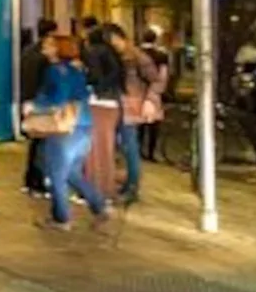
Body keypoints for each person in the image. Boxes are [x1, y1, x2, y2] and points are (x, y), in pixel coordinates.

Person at [25, 33, 112, 231]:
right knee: (72, 172)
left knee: (55, 173)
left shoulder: (55, 71)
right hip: (84, 124)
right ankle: (99, 205)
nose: (44, 48)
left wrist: (35, 106)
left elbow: (59, 99)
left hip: (65, 127)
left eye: (48, 45)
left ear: (57, 49)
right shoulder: (76, 71)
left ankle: (61, 218)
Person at [110, 24, 161, 204]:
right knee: (124, 146)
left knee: (130, 146)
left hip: (132, 107)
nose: (114, 44)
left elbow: (155, 80)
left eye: (115, 40)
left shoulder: (138, 57)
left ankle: (132, 186)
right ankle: (128, 184)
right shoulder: (120, 57)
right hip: (120, 105)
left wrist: (150, 100)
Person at [20, 19, 57, 197]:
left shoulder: (27, 52)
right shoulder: (44, 59)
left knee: (35, 143)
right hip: (41, 103)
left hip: (28, 100)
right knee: (42, 144)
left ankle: (29, 181)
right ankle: (38, 183)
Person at [139, 30, 171, 162]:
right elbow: (164, 75)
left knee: (139, 122)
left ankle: (139, 150)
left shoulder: (136, 53)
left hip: (139, 91)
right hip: (154, 92)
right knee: (154, 124)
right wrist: (161, 90)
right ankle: (151, 152)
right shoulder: (161, 55)